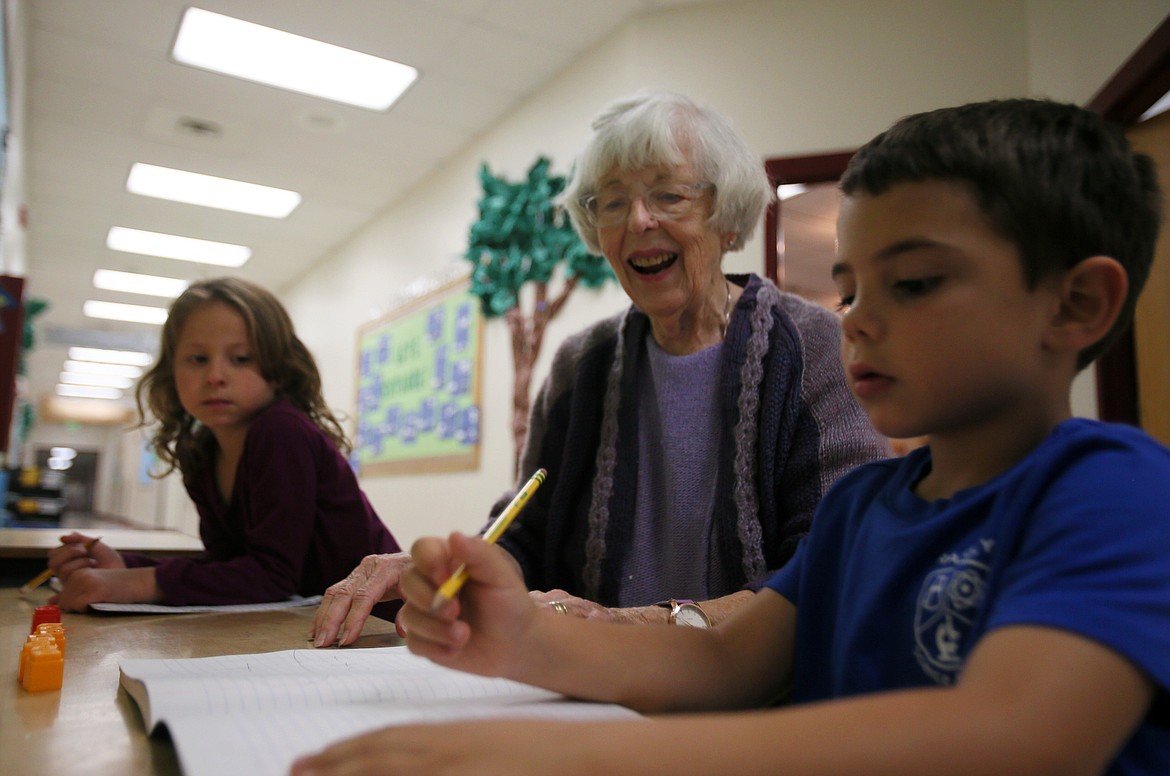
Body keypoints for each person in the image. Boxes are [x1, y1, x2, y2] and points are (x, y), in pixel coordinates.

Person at [291, 98, 1170, 776]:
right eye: (851, 287)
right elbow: (723, 658)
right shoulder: (866, 508)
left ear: (1077, 304)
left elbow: (1011, 738)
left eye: (915, 283)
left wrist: (571, 755)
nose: (856, 321)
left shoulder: (1113, 493)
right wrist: (518, 633)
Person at [311, 92, 887, 646]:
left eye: (668, 196)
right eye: (612, 203)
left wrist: (651, 627)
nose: (638, 220)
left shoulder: (815, 346)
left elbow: (837, 564)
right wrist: (448, 569)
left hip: (762, 699)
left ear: (727, 217)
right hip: (595, 688)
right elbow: (526, 539)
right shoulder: (579, 365)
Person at [47, 277, 403, 614]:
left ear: (279, 371)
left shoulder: (281, 432)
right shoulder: (200, 451)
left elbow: (272, 577)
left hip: (380, 630)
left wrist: (129, 584)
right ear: (172, 374)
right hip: (310, 628)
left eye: (241, 358)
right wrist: (125, 566)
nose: (215, 376)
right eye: (198, 359)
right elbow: (232, 566)